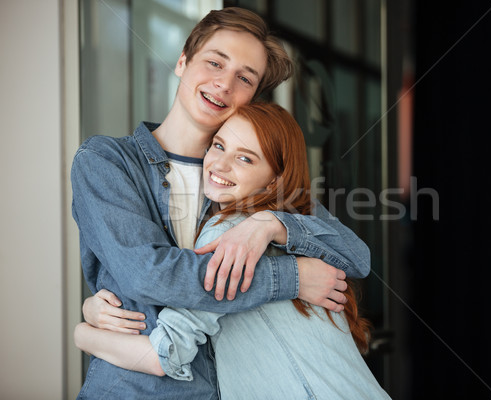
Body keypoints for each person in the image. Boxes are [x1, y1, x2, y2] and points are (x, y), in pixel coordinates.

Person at [71, 7, 371, 400]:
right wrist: (293, 277)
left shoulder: (253, 184)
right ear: (182, 62)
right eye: (215, 62)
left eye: (244, 78)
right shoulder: (107, 160)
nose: (224, 84)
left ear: (252, 96)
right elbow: (147, 275)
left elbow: (355, 256)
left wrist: (271, 225)